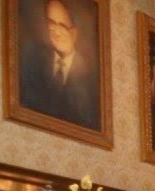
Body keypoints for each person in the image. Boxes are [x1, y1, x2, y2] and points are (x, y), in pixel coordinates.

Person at [19, 0, 100, 131]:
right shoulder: (32, 58)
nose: (56, 31)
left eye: (62, 25)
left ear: (74, 33)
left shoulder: (91, 77)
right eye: (51, 23)